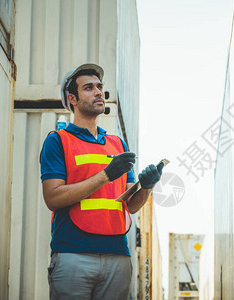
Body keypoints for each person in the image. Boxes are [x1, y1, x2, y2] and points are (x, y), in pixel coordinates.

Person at [40, 63, 162, 299]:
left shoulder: (117, 144)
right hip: (73, 255)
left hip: (118, 255)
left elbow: (132, 205)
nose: (98, 92)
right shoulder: (58, 141)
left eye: (100, 87)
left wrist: (147, 186)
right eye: (89, 88)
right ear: (72, 99)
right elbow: (53, 198)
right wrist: (106, 175)